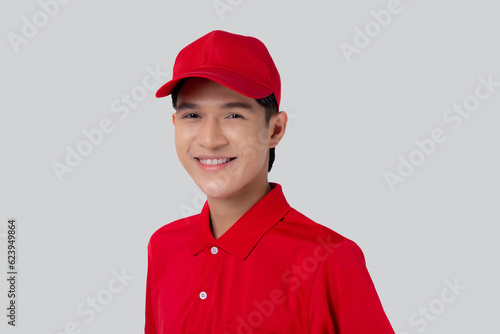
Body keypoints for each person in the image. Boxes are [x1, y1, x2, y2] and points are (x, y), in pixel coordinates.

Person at [145, 30, 395, 334]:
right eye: (192, 115)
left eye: (234, 115)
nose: (209, 140)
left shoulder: (327, 260)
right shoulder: (164, 247)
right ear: (174, 125)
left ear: (275, 130)